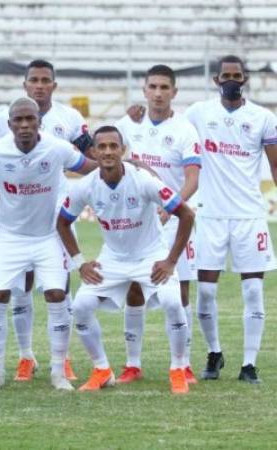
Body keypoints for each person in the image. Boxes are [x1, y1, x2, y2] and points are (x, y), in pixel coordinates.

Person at [0, 97, 97, 391]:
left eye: (30, 119)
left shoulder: (57, 147)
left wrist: (128, 166)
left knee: (56, 295)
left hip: (48, 236)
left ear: (39, 121)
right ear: (10, 124)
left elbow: (91, 167)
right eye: (19, 120)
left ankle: (57, 371)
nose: (25, 125)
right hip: (9, 238)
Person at [57, 126, 195, 394]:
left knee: (172, 301)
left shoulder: (143, 180)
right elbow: (62, 223)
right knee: (81, 305)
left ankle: (178, 368)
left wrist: (170, 261)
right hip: (113, 259)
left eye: (113, 146)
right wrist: (80, 262)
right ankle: (102, 369)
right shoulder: (84, 186)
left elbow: (186, 214)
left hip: (151, 254)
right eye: (102, 147)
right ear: (94, 152)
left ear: (122, 150)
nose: (108, 151)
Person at [184, 55, 277, 383]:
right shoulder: (198, 113)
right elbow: (170, 130)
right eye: (226, 75)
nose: (231, 80)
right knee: (206, 292)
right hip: (209, 214)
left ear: (246, 79)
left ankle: (249, 364)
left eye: (237, 75)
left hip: (249, 216)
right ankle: (214, 353)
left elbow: (275, 165)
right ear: (216, 80)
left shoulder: (263, 118)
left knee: (253, 291)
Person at [114, 64, 201, 384]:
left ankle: (184, 363)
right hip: (136, 222)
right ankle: (132, 364)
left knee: (180, 290)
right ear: (144, 90)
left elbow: (192, 178)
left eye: (165, 87)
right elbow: (105, 150)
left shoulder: (185, 130)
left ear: (174, 92)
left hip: (174, 219)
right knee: (135, 287)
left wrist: (171, 207)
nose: (159, 93)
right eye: (153, 87)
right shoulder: (128, 123)